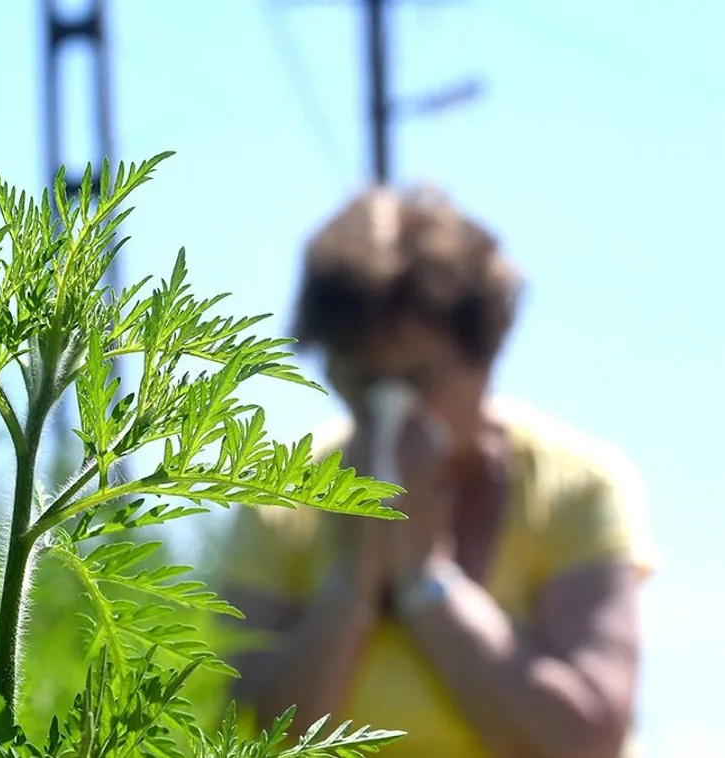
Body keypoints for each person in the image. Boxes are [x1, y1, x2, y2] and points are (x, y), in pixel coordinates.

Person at [220, 185, 655, 758]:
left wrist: (427, 578)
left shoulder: (579, 488)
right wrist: (353, 581)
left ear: (486, 359)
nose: (389, 411)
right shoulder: (277, 497)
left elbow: (589, 739)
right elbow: (251, 735)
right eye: (361, 381)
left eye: (418, 382)